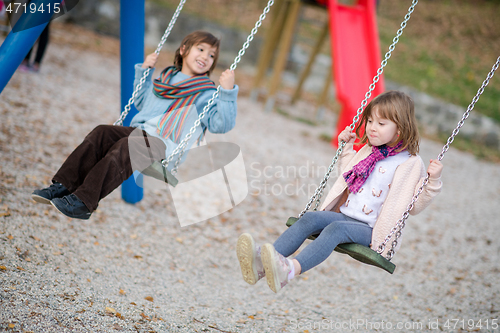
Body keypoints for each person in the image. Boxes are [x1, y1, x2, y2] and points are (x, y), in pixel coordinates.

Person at [236, 90, 443, 293]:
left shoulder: (410, 163)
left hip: (370, 229)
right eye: (370, 121)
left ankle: (290, 271)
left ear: (400, 129)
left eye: (381, 124)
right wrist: (347, 148)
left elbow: (413, 205)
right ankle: (262, 266)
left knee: (336, 229)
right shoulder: (367, 151)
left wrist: (432, 181)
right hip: (345, 214)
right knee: (309, 218)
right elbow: (348, 175)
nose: (372, 128)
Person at [31, 30, 238, 220]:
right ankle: (63, 186)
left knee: (129, 144)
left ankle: (84, 202)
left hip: (164, 146)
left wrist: (227, 93)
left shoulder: (207, 93)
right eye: (200, 49)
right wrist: (145, 72)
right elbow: (141, 102)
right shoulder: (166, 78)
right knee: (102, 132)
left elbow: (221, 124)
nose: (205, 57)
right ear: (183, 50)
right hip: (141, 132)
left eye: (211, 55)